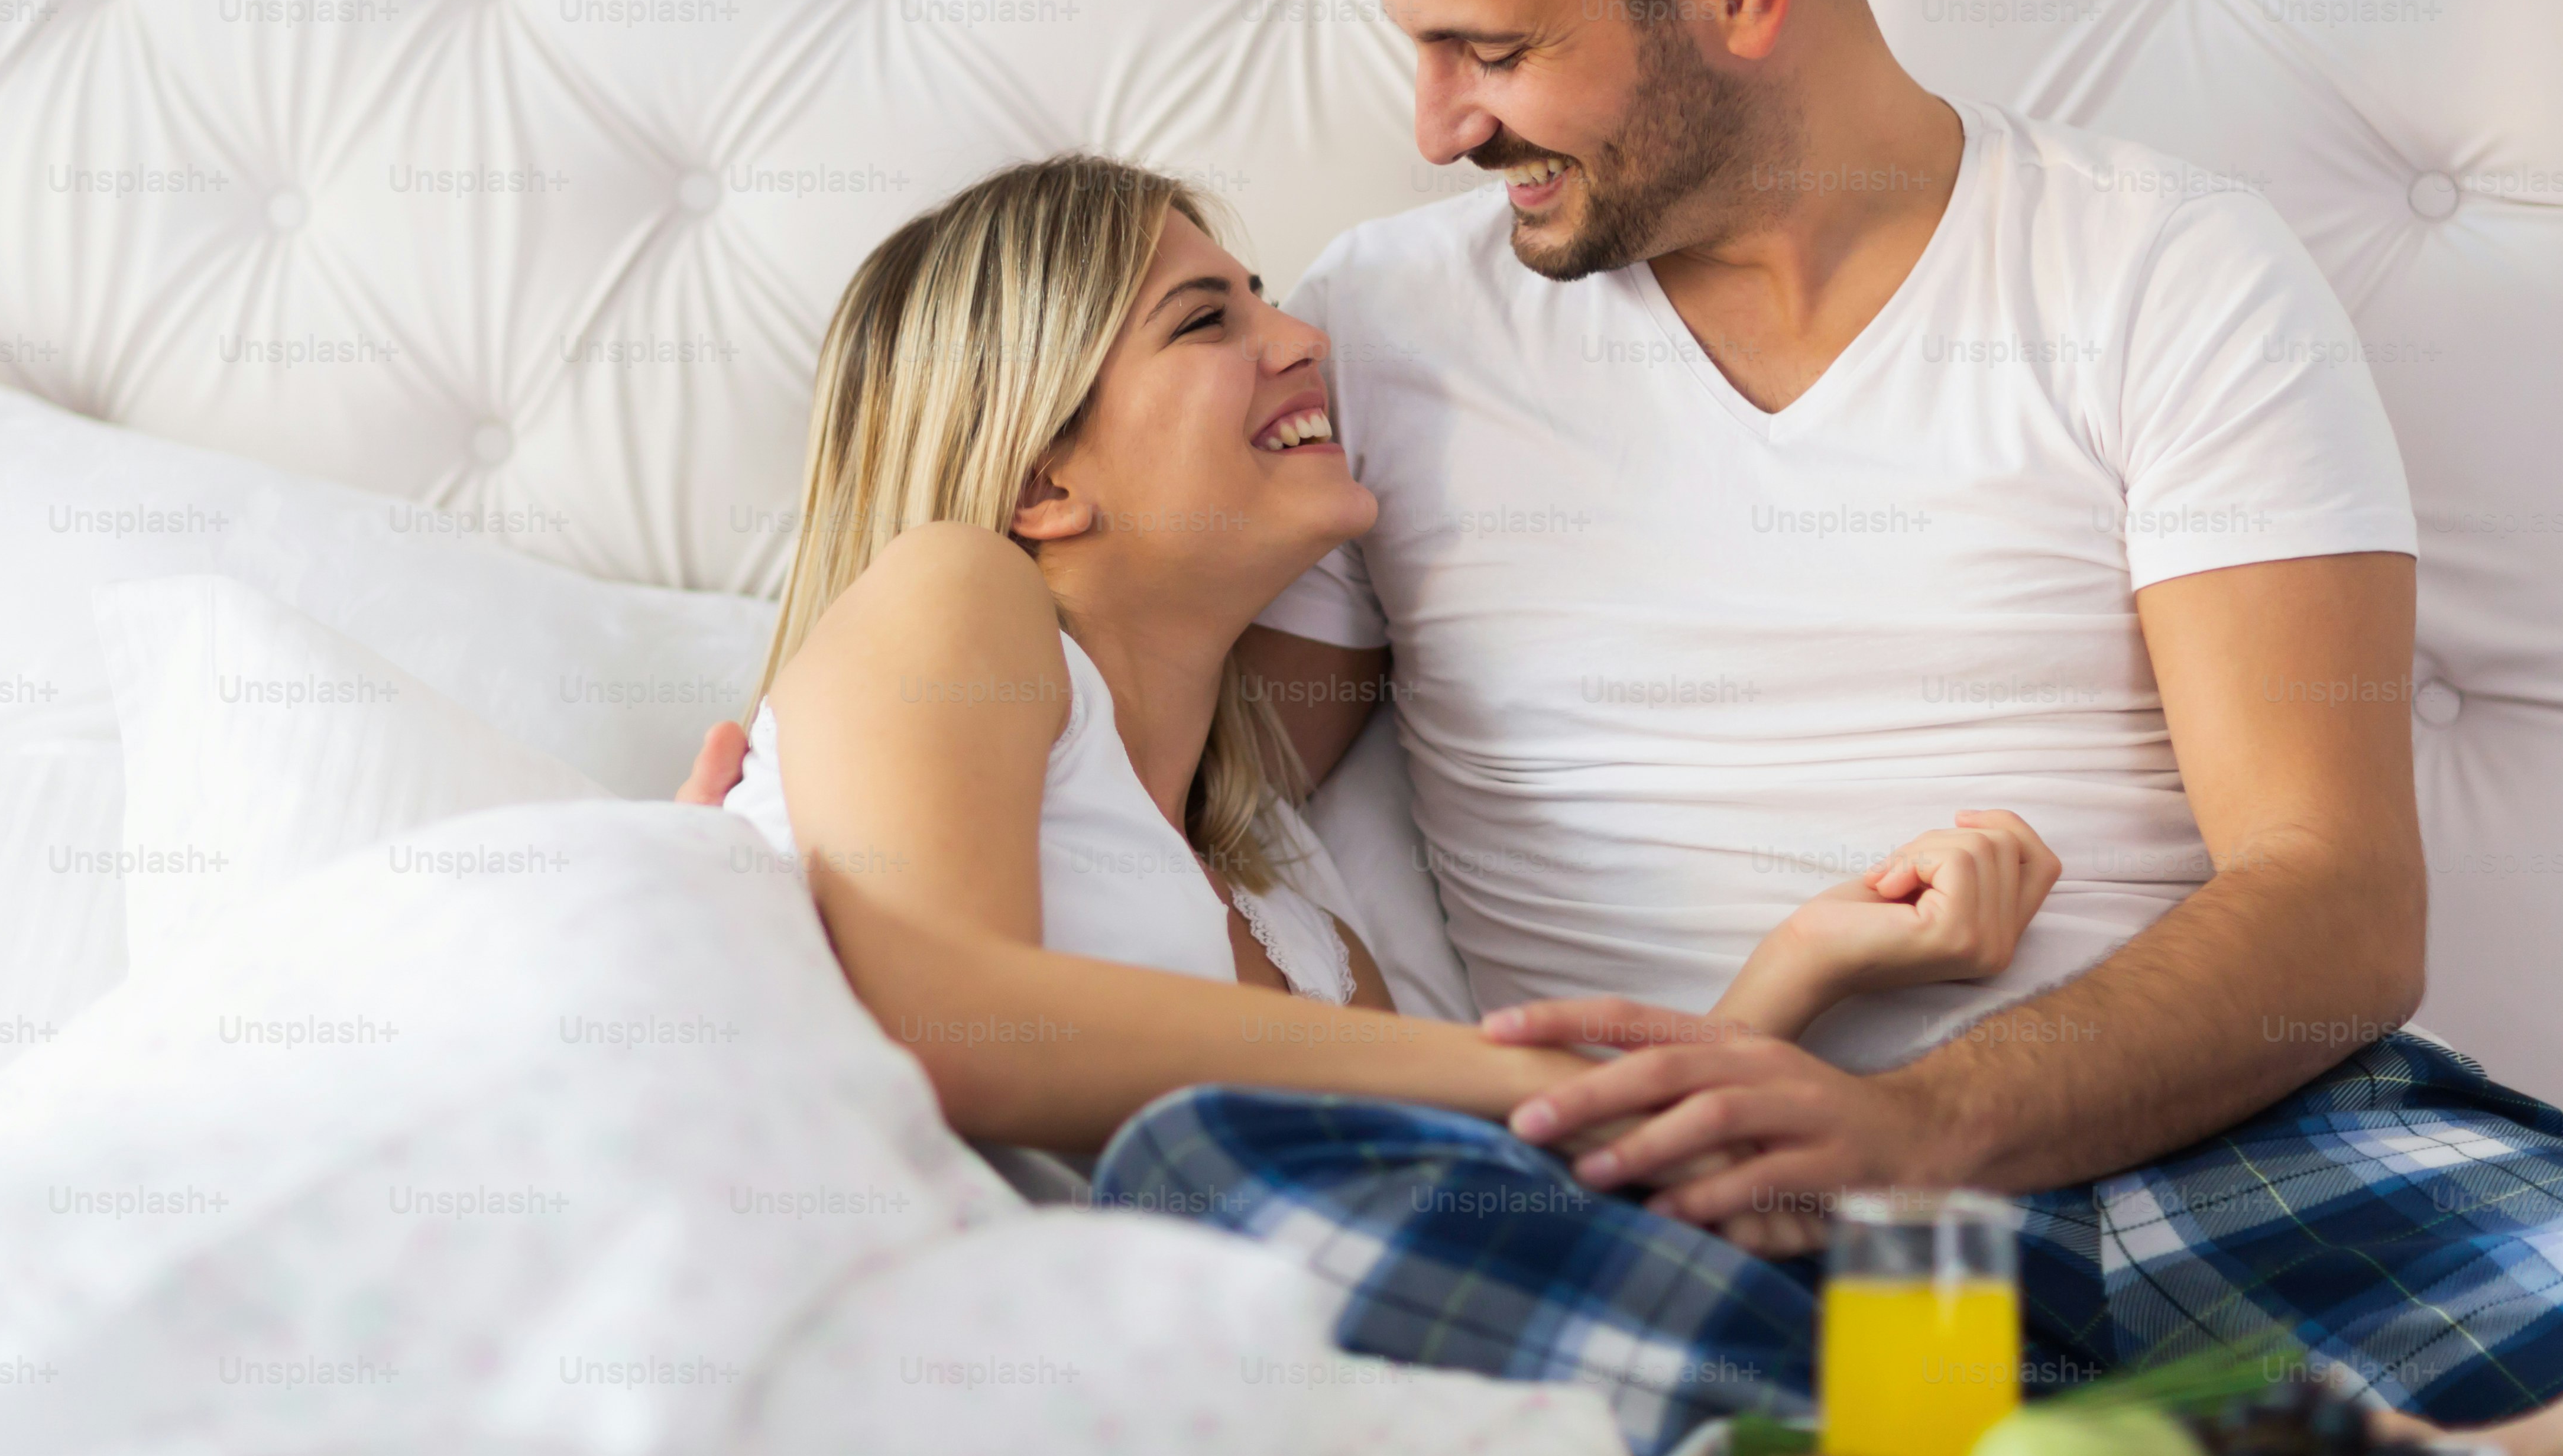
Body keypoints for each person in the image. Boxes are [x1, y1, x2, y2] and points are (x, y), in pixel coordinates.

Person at [690, 0, 2563, 1456]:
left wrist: (1912, 1132)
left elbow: (2336, 905)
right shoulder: (1381, 336)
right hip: (1692, 1226)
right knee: (1235, 1183)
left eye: (1493, 48)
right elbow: (1170, 777)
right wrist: (805, 830)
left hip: (2243, 1151)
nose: (1440, 124)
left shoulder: (2163, 275)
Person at [712, 153, 2060, 1231]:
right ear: (1039, 486)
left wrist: (1799, 968)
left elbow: (1512, 1195)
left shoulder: (1278, 875)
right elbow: (964, 1030)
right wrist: (1506, 1070)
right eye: (1208, 319)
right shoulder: (954, 583)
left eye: (1264, 295)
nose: (1300, 337)